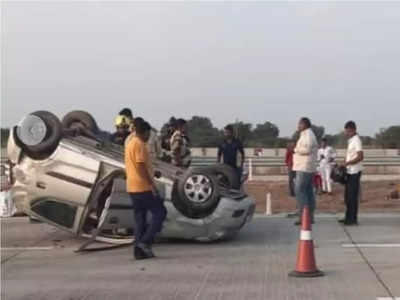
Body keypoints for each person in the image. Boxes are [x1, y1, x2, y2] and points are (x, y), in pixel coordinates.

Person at [125, 121, 167, 260]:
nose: (149, 137)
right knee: (160, 212)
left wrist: (153, 173)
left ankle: (138, 251)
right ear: (144, 132)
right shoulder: (140, 144)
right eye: (149, 133)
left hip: (132, 187)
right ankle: (145, 242)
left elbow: (140, 166)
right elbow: (140, 165)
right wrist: (152, 185)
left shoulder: (130, 144)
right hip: (143, 187)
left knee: (140, 220)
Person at [293, 117, 318, 226]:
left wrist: (295, 149)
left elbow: (307, 149)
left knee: (300, 191)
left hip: (304, 167)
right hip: (305, 166)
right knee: (308, 192)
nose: (298, 126)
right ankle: (309, 217)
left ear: (304, 124)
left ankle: (304, 216)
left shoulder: (308, 135)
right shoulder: (306, 134)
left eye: (299, 124)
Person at [339, 121, 364, 226]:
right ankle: (348, 217)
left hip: (355, 172)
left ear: (353, 130)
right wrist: (344, 163)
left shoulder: (357, 140)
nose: (347, 133)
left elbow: (360, 156)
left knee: (352, 197)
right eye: (346, 131)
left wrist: (347, 163)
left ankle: (352, 219)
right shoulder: (351, 140)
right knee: (348, 197)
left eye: (348, 131)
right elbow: (351, 155)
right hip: (349, 171)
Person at [285, 141, 298, 218]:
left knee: (295, 181)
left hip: (296, 166)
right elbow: (286, 158)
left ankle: (295, 192)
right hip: (291, 166)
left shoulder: (296, 151)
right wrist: (287, 164)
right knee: (290, 180)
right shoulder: (289, 151)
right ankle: (292, 192)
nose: (293, 146)